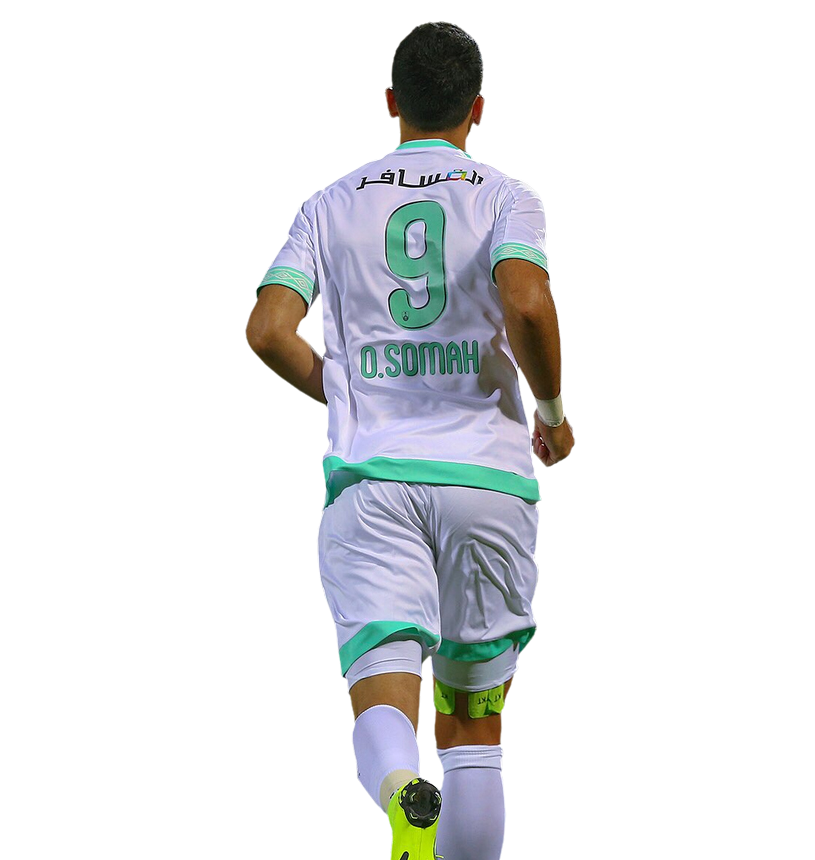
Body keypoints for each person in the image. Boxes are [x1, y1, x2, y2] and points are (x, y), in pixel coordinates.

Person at [245, 21, 575, 860]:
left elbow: (268, 330)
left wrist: (347, 386)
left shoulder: (328, 205)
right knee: (474, 727)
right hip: (486, 485)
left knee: (383, 685)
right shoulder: (506, 197)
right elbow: (526, 302)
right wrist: (551, 412)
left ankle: (400, 792)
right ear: (479, 108)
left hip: (375, 485)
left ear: (391, 102)